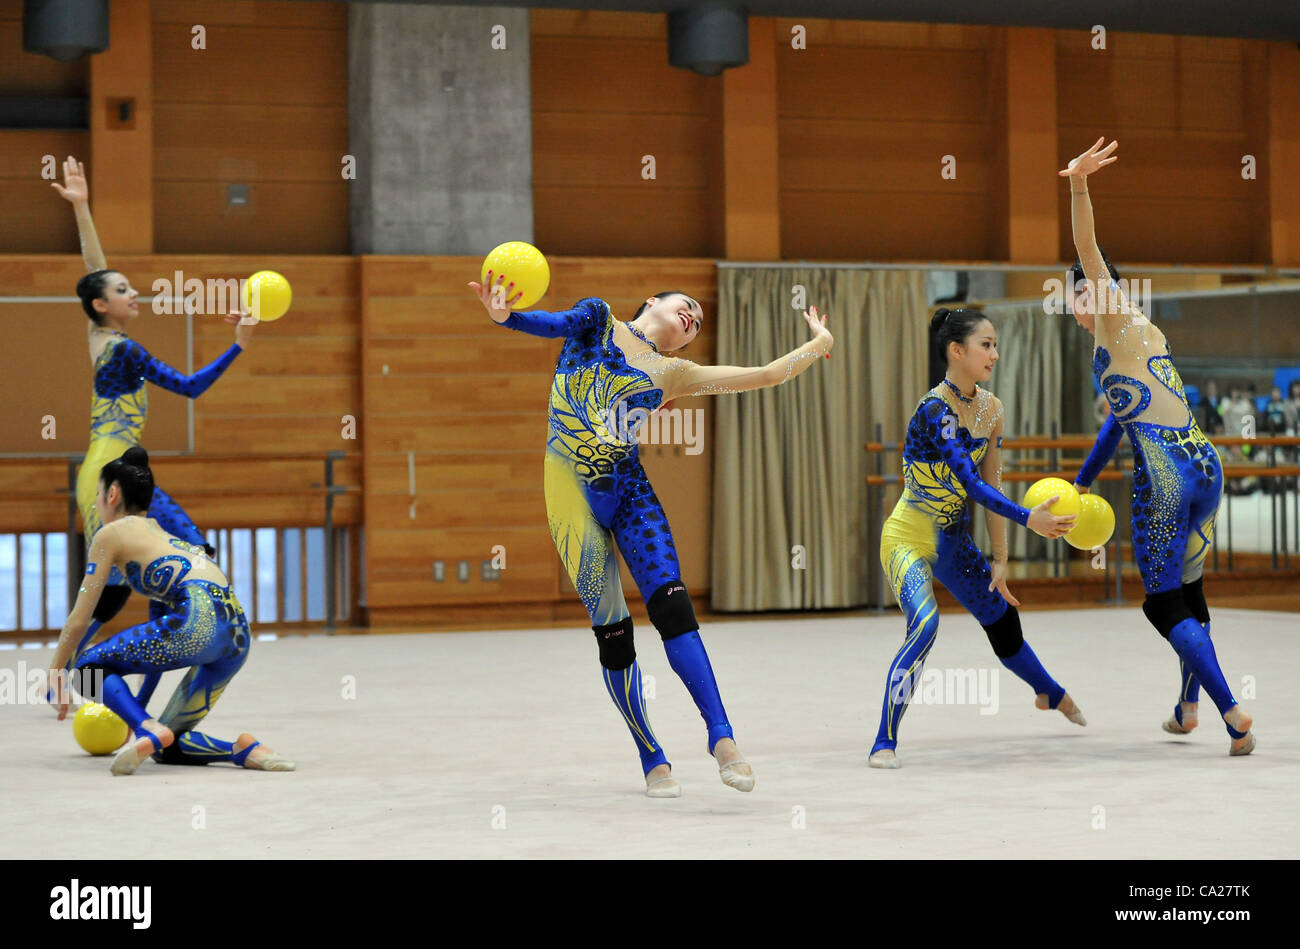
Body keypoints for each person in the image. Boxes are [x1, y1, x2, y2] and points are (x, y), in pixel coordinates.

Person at [468, 273, 832, 796]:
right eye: (687, 306)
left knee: (674, 609)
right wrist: (507, 317)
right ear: (652, 301)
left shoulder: (676, 373)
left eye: (698, 324)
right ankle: (651, 756)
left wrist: (819, 342)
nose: (693, 318)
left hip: (630, 492)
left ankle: (722, 737)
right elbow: (551, 324)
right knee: (614, 635)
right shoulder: (597, 319)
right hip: (570, 496)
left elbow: (767, 374)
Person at [1061, 136, 1254, 755]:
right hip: (1204, 463)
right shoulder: (1135, 337)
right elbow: (1119, 423)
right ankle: (1188, 708)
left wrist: (1078, 183)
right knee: (1190, 595)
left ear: (1093, 291)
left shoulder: (1114, 314)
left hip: (1166, 477)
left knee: (1162, 605)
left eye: (1075, 294)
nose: (1072, 306)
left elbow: (1088, 248)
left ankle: (1233, 712)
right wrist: (1083, 481)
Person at [53, 156, 253, 728]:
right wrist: (239, 344)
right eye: (124, 290)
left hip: (103, 464)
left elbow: (95, 271)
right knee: (188, 552)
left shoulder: (98, 332)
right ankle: (108, 684)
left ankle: (80, 679)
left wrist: (82, 207)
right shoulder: (125, 350)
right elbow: (189, 387)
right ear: (102, 305)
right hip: (112, 466)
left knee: (119, 583)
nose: (133, 292)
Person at [869, 307, 1084, 769]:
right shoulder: (934, 410)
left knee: (1002, 619)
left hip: (952, 540)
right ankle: (884, 741)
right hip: (909, 536)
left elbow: (993, 484)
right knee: (925, 625)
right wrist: (1029, 519)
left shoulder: (992, 409)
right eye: (986, 345)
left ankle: (1048, 691)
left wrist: (1000, 559)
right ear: (956, 350)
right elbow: (970, 483)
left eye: (995, 345)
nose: (995, 354)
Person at [47, 448, 293, 775]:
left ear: (112, 493)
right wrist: (138, 712)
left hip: (198, 619)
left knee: (87, 668)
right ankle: (242, 750)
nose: (95, 505)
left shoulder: (109, 534)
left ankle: (148, 729)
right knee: (166, 747)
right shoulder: (163, 537)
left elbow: (80, 618)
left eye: (97, 495)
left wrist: (56, 671)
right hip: (237, 634)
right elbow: (160, 639)